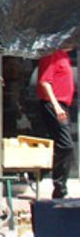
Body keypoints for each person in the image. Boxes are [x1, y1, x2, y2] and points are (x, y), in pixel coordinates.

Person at [36, 45, 75, 199]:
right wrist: (56, 106)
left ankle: (43, 173)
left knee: (61, 145)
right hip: (53, 104)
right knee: (66, 146)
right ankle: (59, 188)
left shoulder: (64, 56)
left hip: (63, 104)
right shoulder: (52, 55)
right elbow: (44, 82)